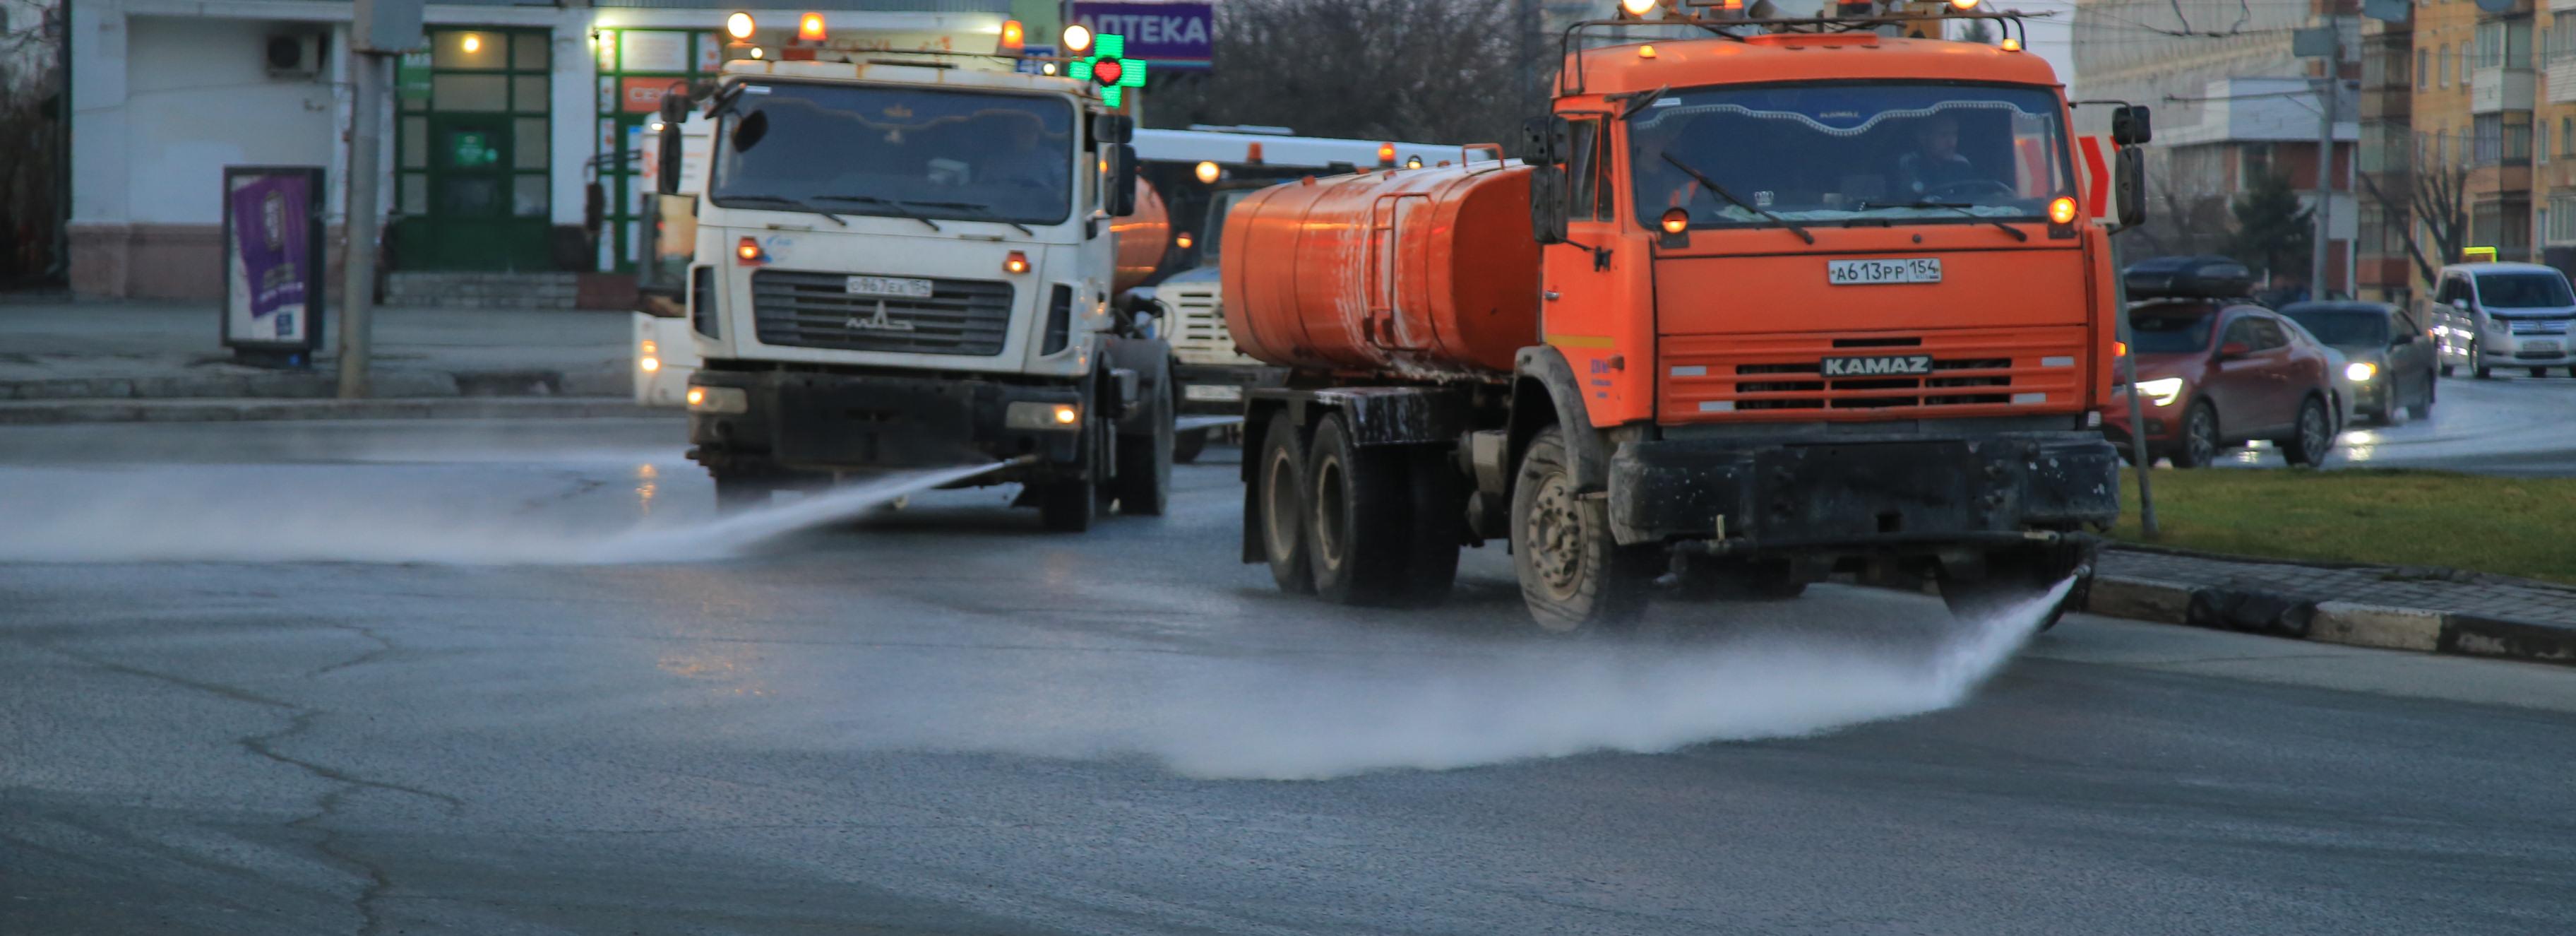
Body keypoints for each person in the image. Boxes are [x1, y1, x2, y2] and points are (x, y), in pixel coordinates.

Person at [1897, 113, 1978, 197]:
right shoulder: (1910, 164)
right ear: (1922, 137)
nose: (1952, 143)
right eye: (1944, 135)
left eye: (1955, 134)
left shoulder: (1962, 165)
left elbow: (1972, 201)